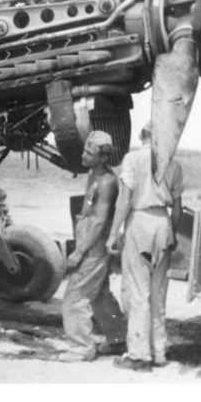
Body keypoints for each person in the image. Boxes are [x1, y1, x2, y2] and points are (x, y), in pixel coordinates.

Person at [106, 121, 183, 371]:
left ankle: (139, 355)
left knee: (138, 291)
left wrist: (113, 233)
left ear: (142, 136)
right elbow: (179, 208)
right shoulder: (173, 163)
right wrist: (171, 232)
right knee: (158, 292)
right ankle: (159, 352)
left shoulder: (133, 159)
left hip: (140, 221)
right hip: (163, 221)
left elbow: (124, 200)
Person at [59, 131, 126, 362]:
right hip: (88, 238)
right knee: (99, 294)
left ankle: (82, 347)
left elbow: (99, 221)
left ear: (103, 157)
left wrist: (79, 251)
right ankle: (118, 340)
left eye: (90, 153)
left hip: (94, 245)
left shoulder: (107, 181)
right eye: (85, 150)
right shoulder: (93, 173)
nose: (83, 155)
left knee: (75, 296)